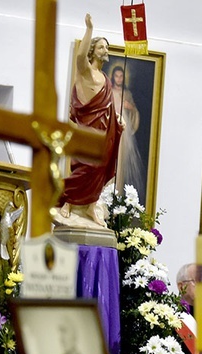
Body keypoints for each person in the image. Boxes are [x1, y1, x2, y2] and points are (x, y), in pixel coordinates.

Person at [56, 13, 123, 228]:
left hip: (106, 133)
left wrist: (117, 119)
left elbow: (107, 107)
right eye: (102, 47)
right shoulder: (86, 73)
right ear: (93, 50)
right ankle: (67, 200)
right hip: (88, 132)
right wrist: (89, 30)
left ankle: (91, 206)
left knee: (100, 171)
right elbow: (79, 56)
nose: (106, 51)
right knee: (85, 169)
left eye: (107, 48)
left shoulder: (105, 79)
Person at [110, 65, 146, 199]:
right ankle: (104, 194)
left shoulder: (128, 94)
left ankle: (116, 193)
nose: (119, 79)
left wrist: (129, 107)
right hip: (110, 129)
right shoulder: (109, 91)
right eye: (116, 76)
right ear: (113, 77)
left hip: (123, 134)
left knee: (120, 163)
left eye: (121, 76)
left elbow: (134, 113)